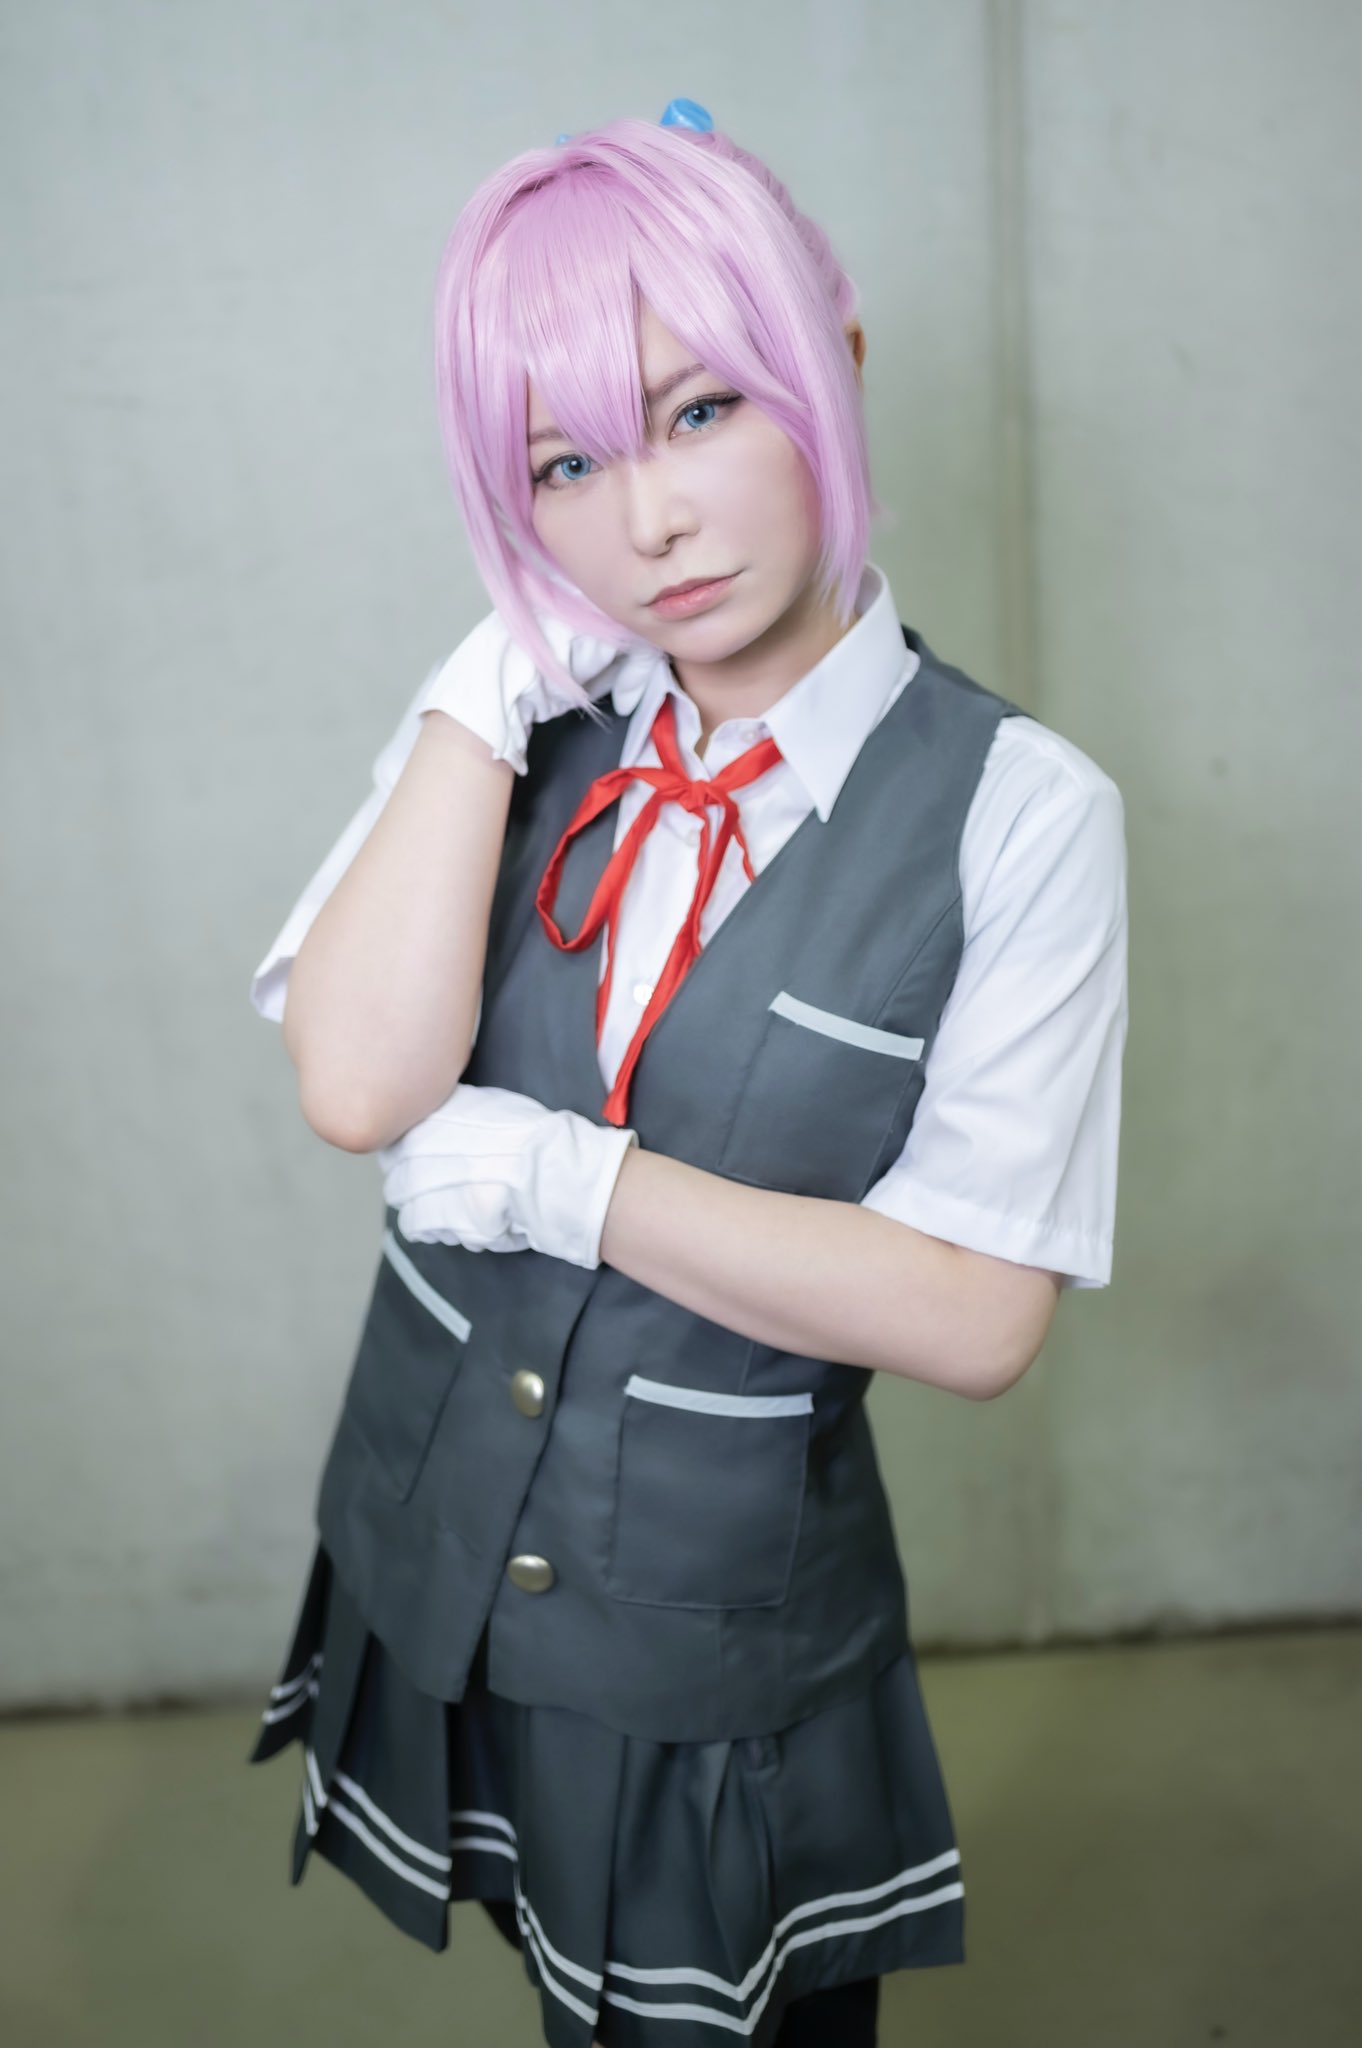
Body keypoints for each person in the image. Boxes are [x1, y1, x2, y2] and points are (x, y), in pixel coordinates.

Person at [245, 101, 1129, 2048]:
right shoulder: (513, 723)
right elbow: (360, 1084)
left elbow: (977, 1312)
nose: (643, 523)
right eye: (562, 464)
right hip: (430, 1550)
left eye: (701, 411)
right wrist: (487, 679)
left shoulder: (1020, 813)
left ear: (837, 364)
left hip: (708, 1640)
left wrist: (570, 1182)